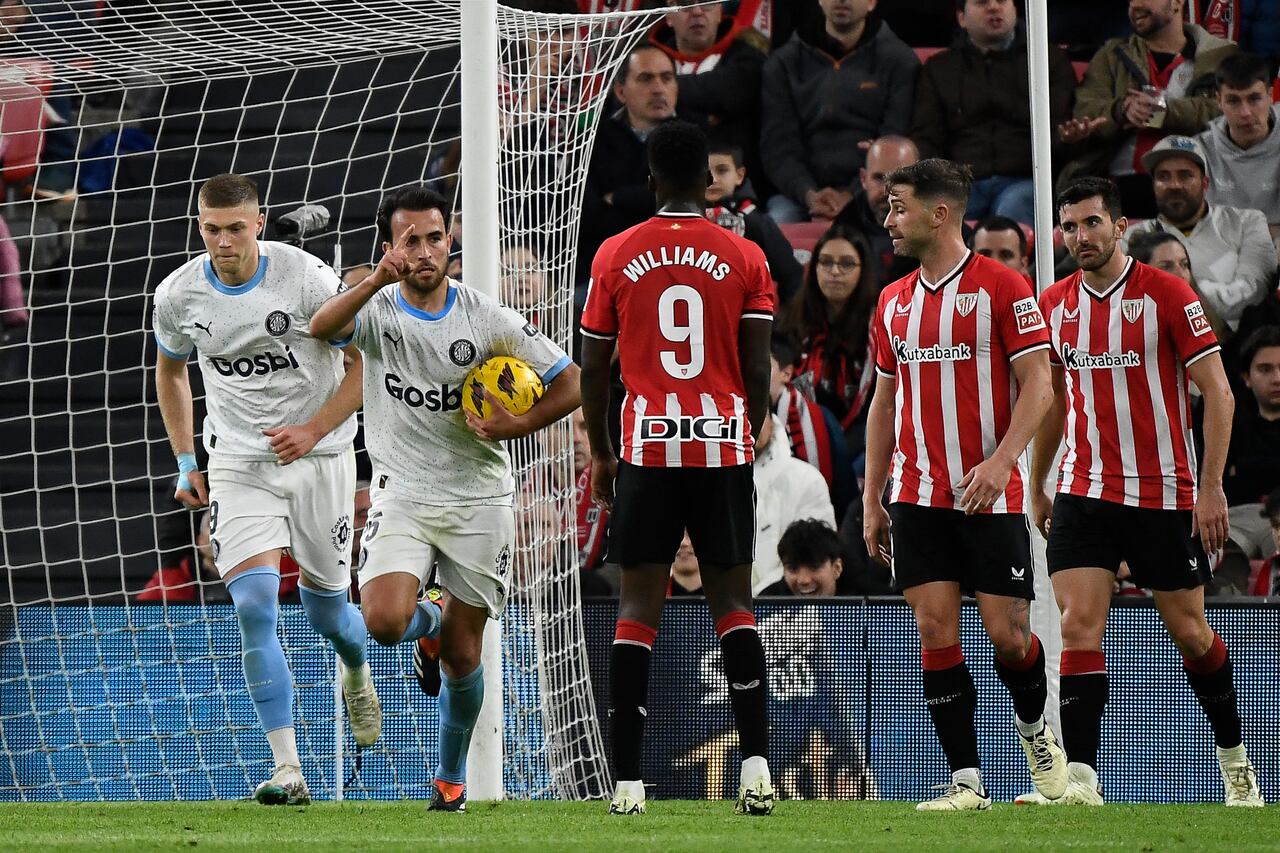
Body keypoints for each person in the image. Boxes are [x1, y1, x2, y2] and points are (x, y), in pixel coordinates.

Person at [308, 186, 581, 811]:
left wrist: (516, 425)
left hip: (479, 496)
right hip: (402, 489)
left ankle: (451, 778)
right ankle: (424, 624)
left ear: (450, 243)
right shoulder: (377, 311)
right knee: (383, 623)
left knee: (464, 654)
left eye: (434, 238)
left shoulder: (487, 317)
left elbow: (572, 382)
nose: (424, 251)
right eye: (410, 240)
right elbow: (322, 328)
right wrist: (378, 276)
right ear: (391, 246)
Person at [1028, 176, 1263, 806]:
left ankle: (1237, 763)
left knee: (1189, 630)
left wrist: (1209, 487)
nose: (1079, 237)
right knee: (1079, 624)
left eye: (1091, 224)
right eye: (1069, 226)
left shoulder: (1168, 295)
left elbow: (1218, 391)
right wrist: (1036, 483)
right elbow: (1051, 401)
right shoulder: (1051, 304)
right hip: (1084, 489)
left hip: (1163, 492)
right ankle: (1080, 778)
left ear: (1121, 224)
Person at [151, 173, 380, 805]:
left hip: (322, 458)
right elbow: (171, 372)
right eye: (210, 229)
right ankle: (287, 767)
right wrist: (183, 460)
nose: (222, 242)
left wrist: (313, 430)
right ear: (200, 226)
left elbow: (365, 363)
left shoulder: (305, 278)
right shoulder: (178, 294)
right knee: (254, 605)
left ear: (258, 223)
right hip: (239, 463)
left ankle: (357, 673)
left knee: (330, 612)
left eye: (234, 228)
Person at [579, 119, 775, 816]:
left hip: (650, 447)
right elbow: (757, 368)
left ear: (654, 178)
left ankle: (627, 783)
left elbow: (595, 371)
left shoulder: (615, 253)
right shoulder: (744, 255)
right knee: (734, 604)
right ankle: (755, 766)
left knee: (638, 609)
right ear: (710, 181)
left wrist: (604, 452)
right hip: (720, 445)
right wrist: (741, 430)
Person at [860, 158, 1065, 811]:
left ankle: (1037, 737)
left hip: (992, 493)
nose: (889, 220)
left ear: (938, 212)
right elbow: (883, 403)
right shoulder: (892, 301)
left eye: (898, 207)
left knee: (1008, 635)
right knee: (934, 628)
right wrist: (872, 497)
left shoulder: (1003, 286)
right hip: (917, 493)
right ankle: (966, 781)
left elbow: (1040, 383)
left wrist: (1006, 460)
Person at [1059, 0, 1237, 218]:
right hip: (1122, 183)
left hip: (1199, 184)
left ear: (1177, 2)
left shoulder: (1220, 55)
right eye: (1130, 1)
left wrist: (1164, 112)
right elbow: (1086, 109)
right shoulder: (1111, 54)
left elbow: (1231, 113)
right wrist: (1121, 110)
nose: (1135, 6)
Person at [910, 0, 1076, 226]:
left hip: (1026, 180)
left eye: (1002, 1)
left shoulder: (1047, 60)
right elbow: (927, 136)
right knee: (941, 214)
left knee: (1010, 211)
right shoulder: (939, 68)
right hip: (961, 183)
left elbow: (1059, 130)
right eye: (982, 2)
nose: (994, 8)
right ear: (961, 18)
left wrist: (1067, 138)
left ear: (1016, 9)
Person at [759, 0, 918, 223]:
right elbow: (778, 145)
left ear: (872, 2)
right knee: (778, 222)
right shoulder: (783, 63)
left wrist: (852, 193)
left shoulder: (900, 61)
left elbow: (894, 138)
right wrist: (809, 194)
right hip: (799, 195)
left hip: (875, 193)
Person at [1125, 135, 1277, 335]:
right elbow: (1128, 305)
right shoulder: (1132, 236)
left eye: (1185, 175)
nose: (1174, 185)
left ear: (1205, 183)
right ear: (1153, 185)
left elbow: (1252, 294)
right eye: (1163, 176)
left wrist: (1171, 294)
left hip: (1234, 350)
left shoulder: (1247, 222)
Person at [577, 44, 678, 284]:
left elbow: (683, 203)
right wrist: (648, 199)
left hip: (672, 266)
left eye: (667, 78)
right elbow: (587, 216)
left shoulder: (693, 137)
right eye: (646, 79)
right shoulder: (591, 142)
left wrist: (619, 197)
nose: (658, 89)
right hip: (602, 270)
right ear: (621, 92)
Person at [780, 222, 879, 452]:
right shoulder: (789, 320)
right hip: (797, 432)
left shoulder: (879, 327)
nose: (834, 272)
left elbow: (880, 406)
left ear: (863, 270)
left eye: (846, 264)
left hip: (862, 437)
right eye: (825, 262)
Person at [1196, 52, 1280, 250]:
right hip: (1220, 250)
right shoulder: (1199, 150)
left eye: (1254, 99)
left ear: (1270, 95)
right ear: (1218, 100)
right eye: (1234, 101)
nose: (1245, 112)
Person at [706, 139, 803, 303]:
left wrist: (787, 324)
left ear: (739, 175)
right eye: (704, 172)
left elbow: (791, 274)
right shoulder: (680, 221)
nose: (713, 179)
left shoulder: (757, 223)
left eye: (722, 170)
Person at [751, 411, 837, 595]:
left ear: (772, 421)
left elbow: (816, 556)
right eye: (742, 415)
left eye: (758, 415)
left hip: (784, 605)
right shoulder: (702, 481)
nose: (751, 424)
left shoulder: (807, 479)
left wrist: (759, 598)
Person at [834, 135, 922, 288]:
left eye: (899, 179)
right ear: (863, 179)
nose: (887, 191)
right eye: (879, 178)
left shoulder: (945, 233)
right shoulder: (843, 228)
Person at [762, 518, 844, 597]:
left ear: (837, 568)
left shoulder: (856, 596)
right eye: (793, 569)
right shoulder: (764, 603)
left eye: (814, 567)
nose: (803, 580)